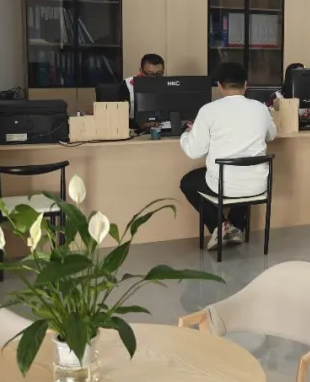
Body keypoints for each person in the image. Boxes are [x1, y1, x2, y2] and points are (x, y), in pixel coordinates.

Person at [179, 62, 276, 249]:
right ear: (246, 84)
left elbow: (194, 151)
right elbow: (271, 135)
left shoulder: (209, 110)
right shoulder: (260, 108)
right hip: (258, 183)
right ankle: (235, 228)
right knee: (242, 175)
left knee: (188, 183)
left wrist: (186, 135)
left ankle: (220, 226)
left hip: (225, 184)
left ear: (219, 86)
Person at [118, 53, 165, 129]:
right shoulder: (127, 86)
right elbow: (119, 116)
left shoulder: (168, 84)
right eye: (150, 74)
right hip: (134, 130)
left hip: (162, 128)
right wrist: (139, 125)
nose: (154, 78)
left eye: (159, 74)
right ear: (141, 71)